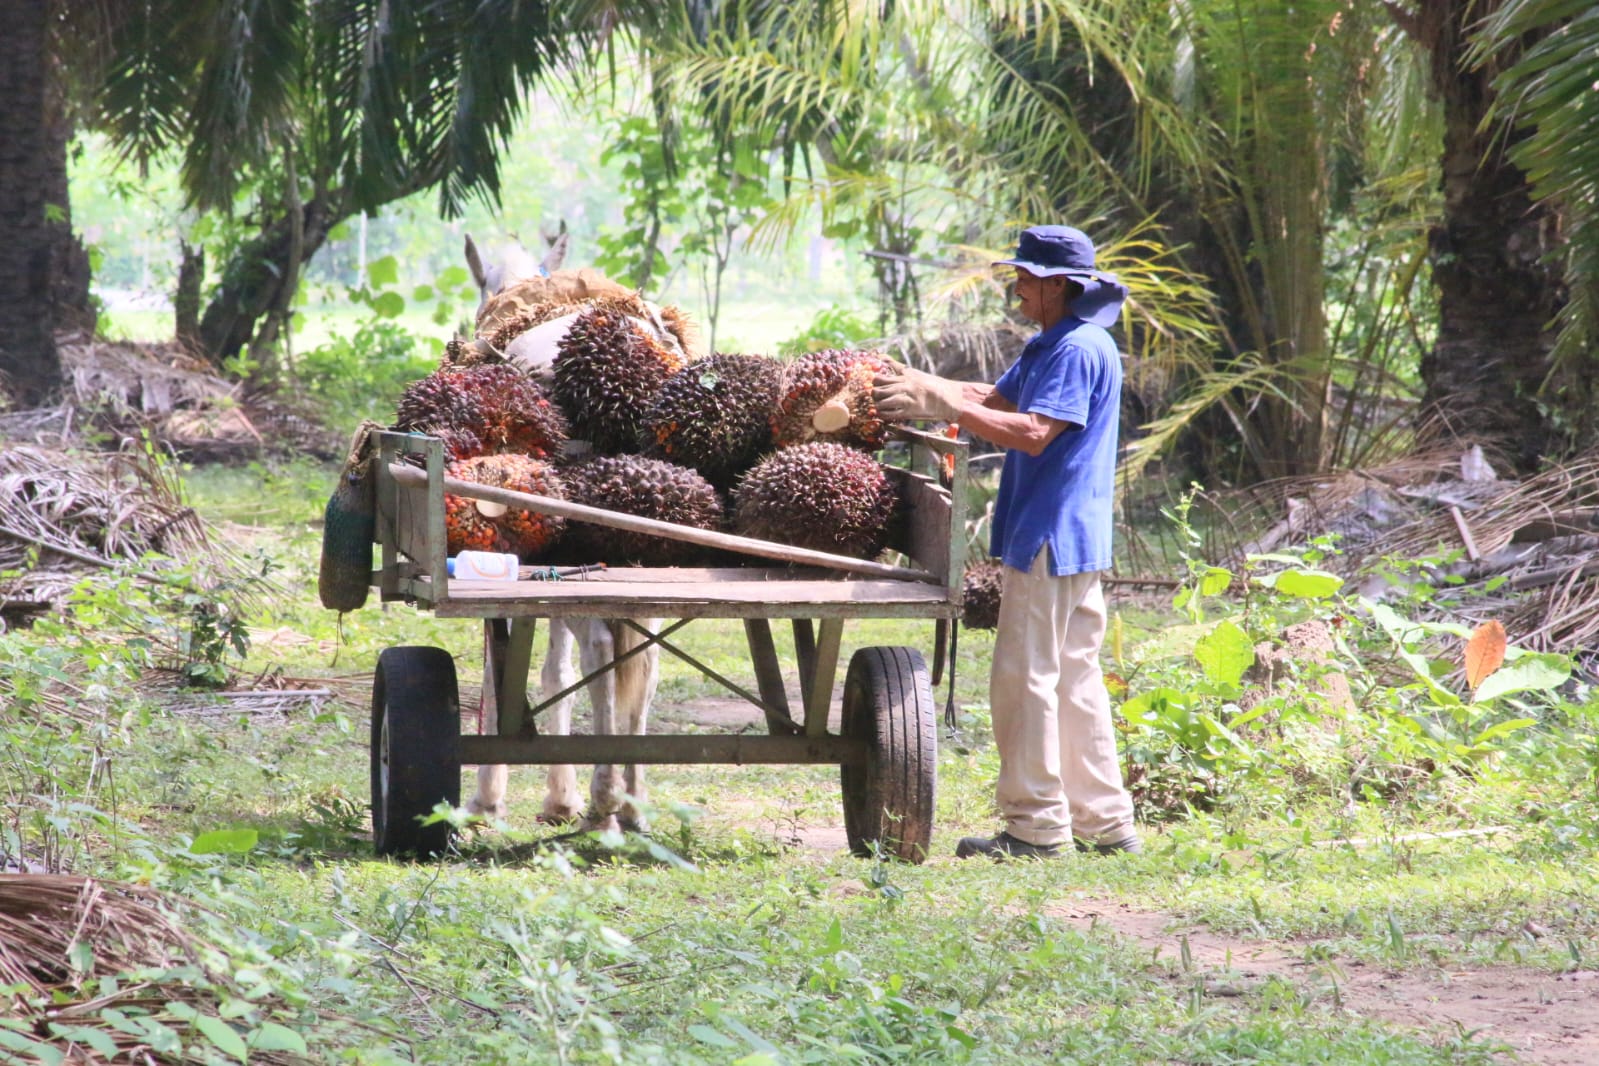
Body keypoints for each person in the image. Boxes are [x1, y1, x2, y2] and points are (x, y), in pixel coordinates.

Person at [873, 224, 1140, 859]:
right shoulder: (1052, 344)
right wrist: (921, 387)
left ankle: (1035, 828)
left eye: (1024, 279)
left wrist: (943, 402)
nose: (1016, 290)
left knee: (1025, 679)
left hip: (1049, 534)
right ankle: (1106, 823)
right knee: (1075, 680)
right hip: (1075, 537)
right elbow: (987, 399)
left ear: (1056, 285)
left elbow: (1031, 431)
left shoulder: (1077, 349)